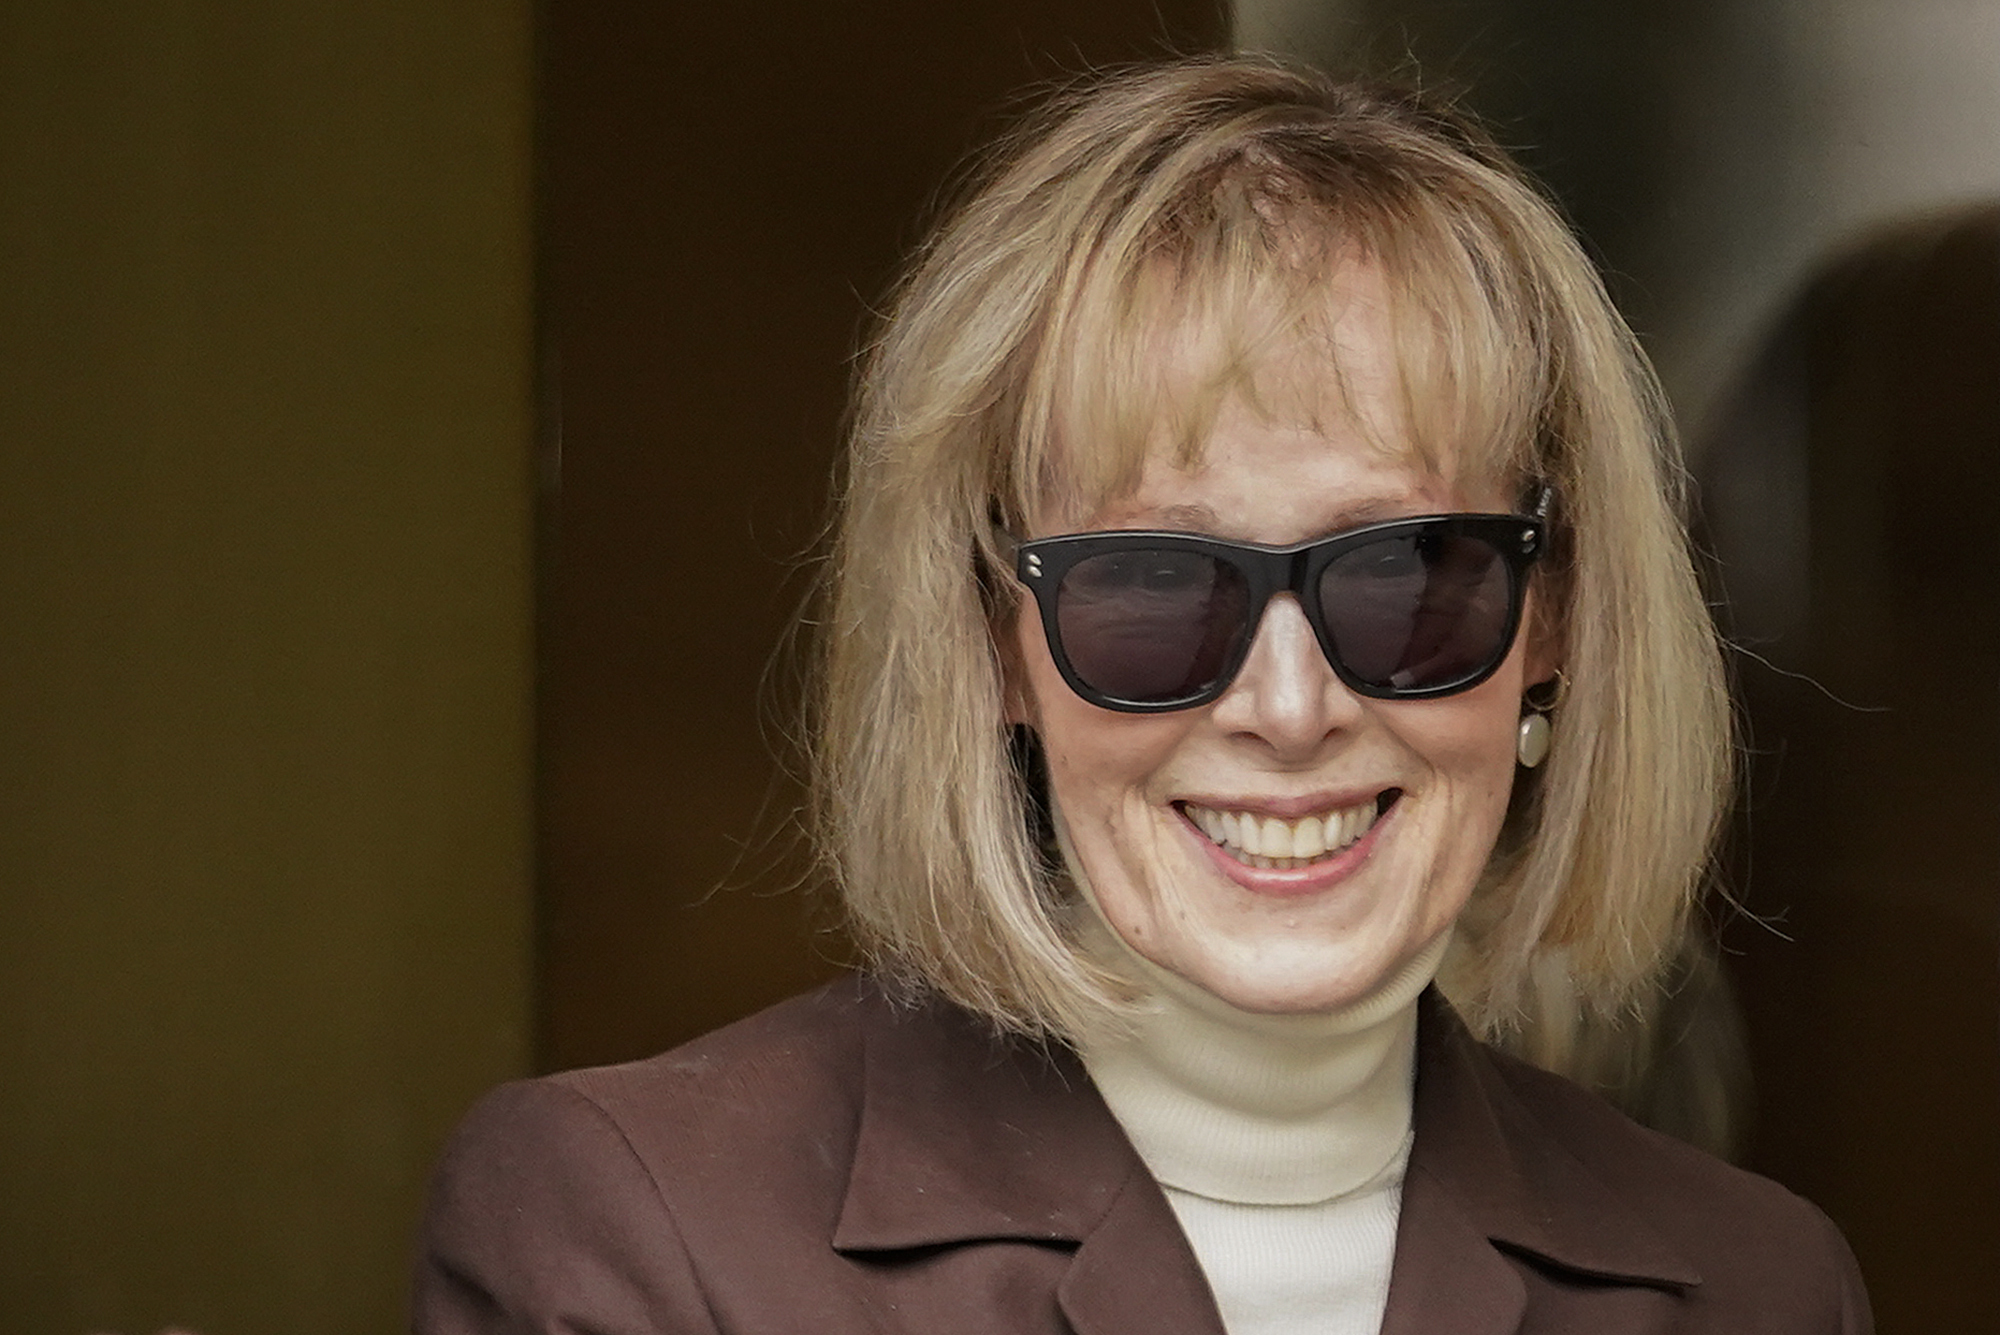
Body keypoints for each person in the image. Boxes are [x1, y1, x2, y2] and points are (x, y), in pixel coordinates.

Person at [413, 57, 1872, 1334]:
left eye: (1404, 575)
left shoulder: (1756, 1290)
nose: (1289, 709)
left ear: (1547, 621)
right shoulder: (642, 1234)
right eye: (1154, 591)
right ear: (995, 641)